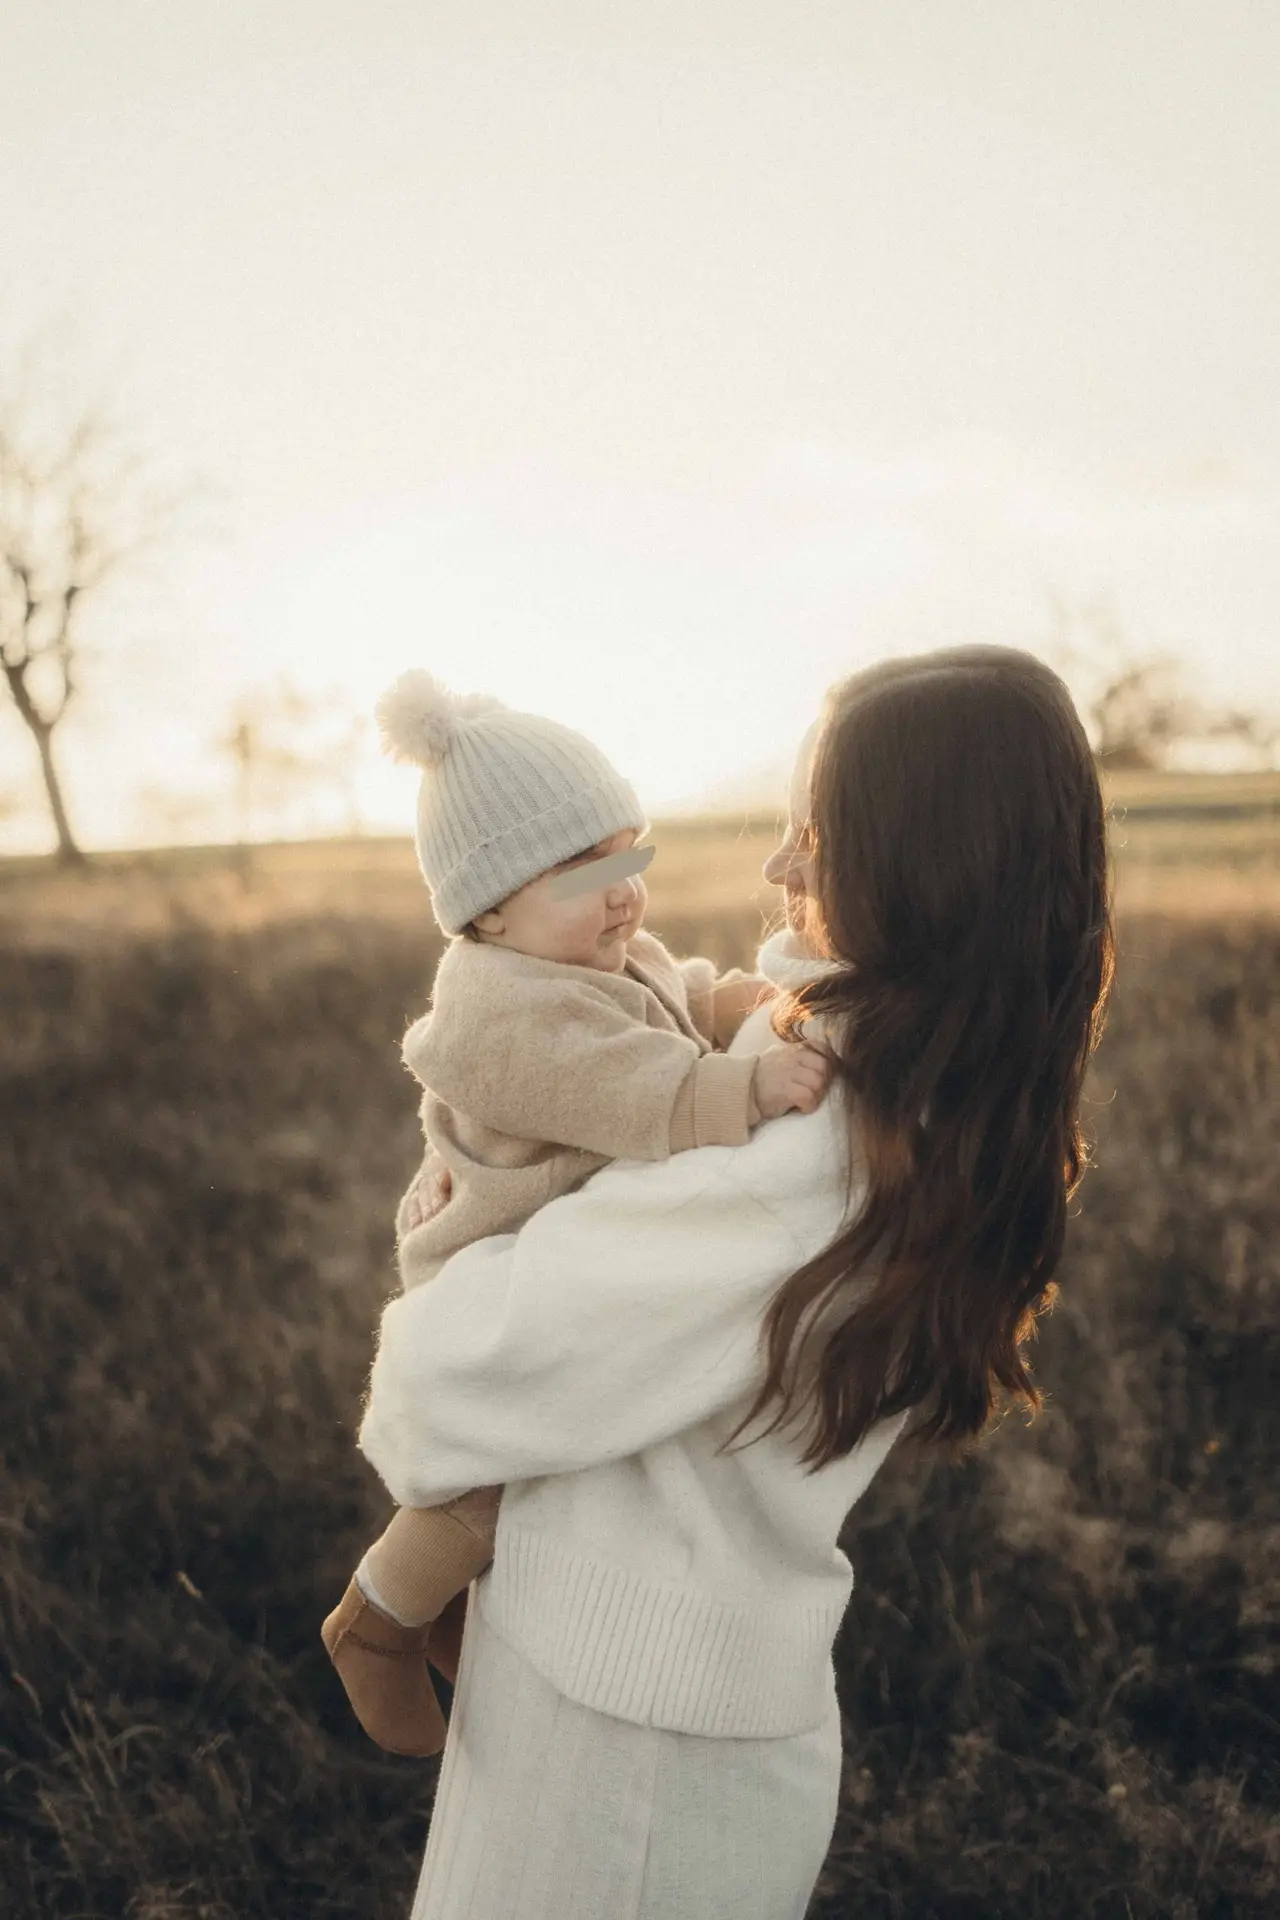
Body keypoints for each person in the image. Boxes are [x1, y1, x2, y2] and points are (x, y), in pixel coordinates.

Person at [356, 645, 1115, 1920]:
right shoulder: (915, 1087)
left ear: (915, 860)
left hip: (627, 1740)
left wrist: (458, 1231)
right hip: (659, 1684)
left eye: (813, 833)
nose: (776, 867)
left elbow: (434, 1389)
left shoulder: (807, 1152)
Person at [322, 670, 831, 1758]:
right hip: (492, 1256)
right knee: (521, 1453)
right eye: (582, 871)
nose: (623, 893)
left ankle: (459, 1615)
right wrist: (745, 1087)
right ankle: (379, 1614)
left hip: (549, 1232)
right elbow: (628, 1085)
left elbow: (666, 993)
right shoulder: (500, 1012)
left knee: (569, 1449)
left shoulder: (589, 946)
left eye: (628, 852)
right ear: (490, 907)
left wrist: (733, 1002)